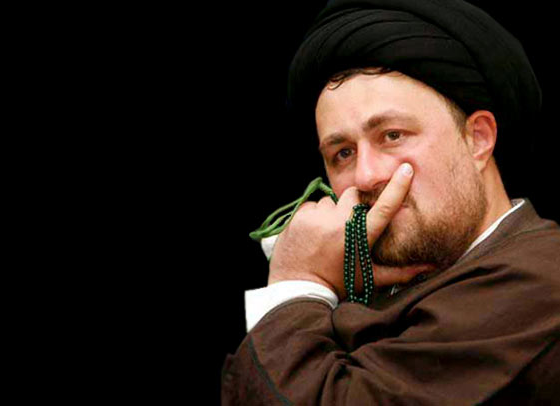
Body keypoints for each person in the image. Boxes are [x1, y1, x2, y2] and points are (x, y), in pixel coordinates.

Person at [221, 0, 560, 405]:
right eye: (343, 153)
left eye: (392, 136)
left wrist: (296, 282)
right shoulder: (367, 280)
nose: (366, 176)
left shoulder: (539, 283)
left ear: (478, 139)